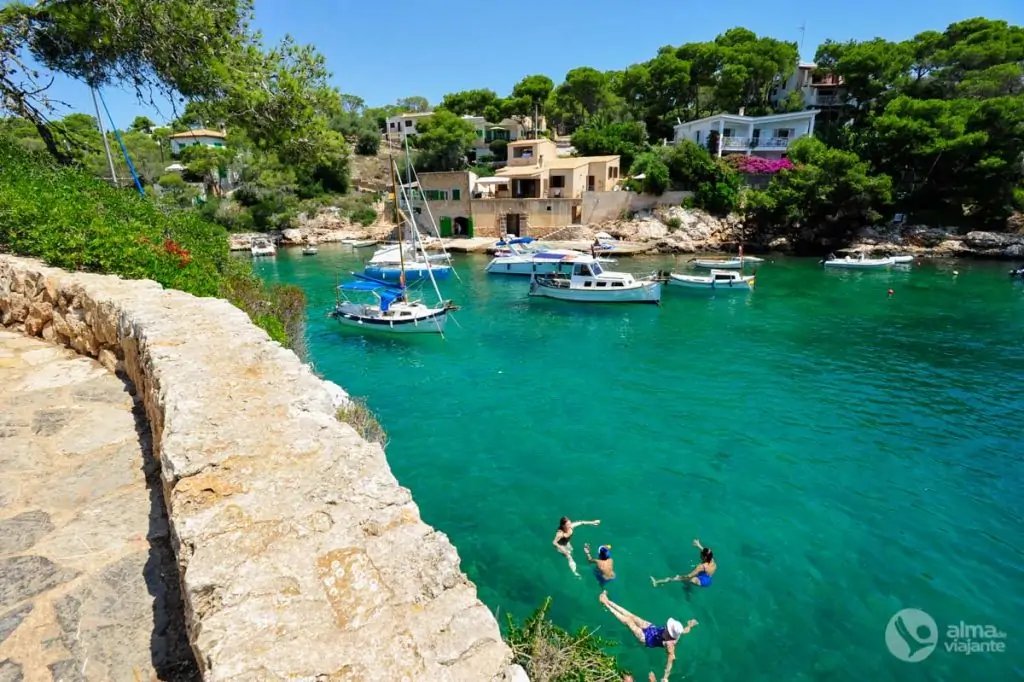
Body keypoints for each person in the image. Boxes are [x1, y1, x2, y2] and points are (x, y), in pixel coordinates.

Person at [599, 591, 697, 682]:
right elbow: (683, 631)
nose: (667, 626)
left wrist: (665, 677)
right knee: (632, 616)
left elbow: (670, 659)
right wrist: (690, 625)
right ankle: (608, 601)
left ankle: (606, 604)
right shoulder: (676, 634)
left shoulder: (669, 644)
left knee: (628, 622)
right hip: (652, 628)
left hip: (646, 639)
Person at [651, 539, 717, 588]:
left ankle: (656, 582)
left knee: (678, 579)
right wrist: (698, 545)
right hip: (708, 579)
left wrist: (680, 577)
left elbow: (689, 575)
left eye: (701, 555)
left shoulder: (701, 567)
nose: (700, 555)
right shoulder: (711, 560)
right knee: (690, 579)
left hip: (702, 581)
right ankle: (687, 584)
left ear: (704, 557)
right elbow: (705, 552)